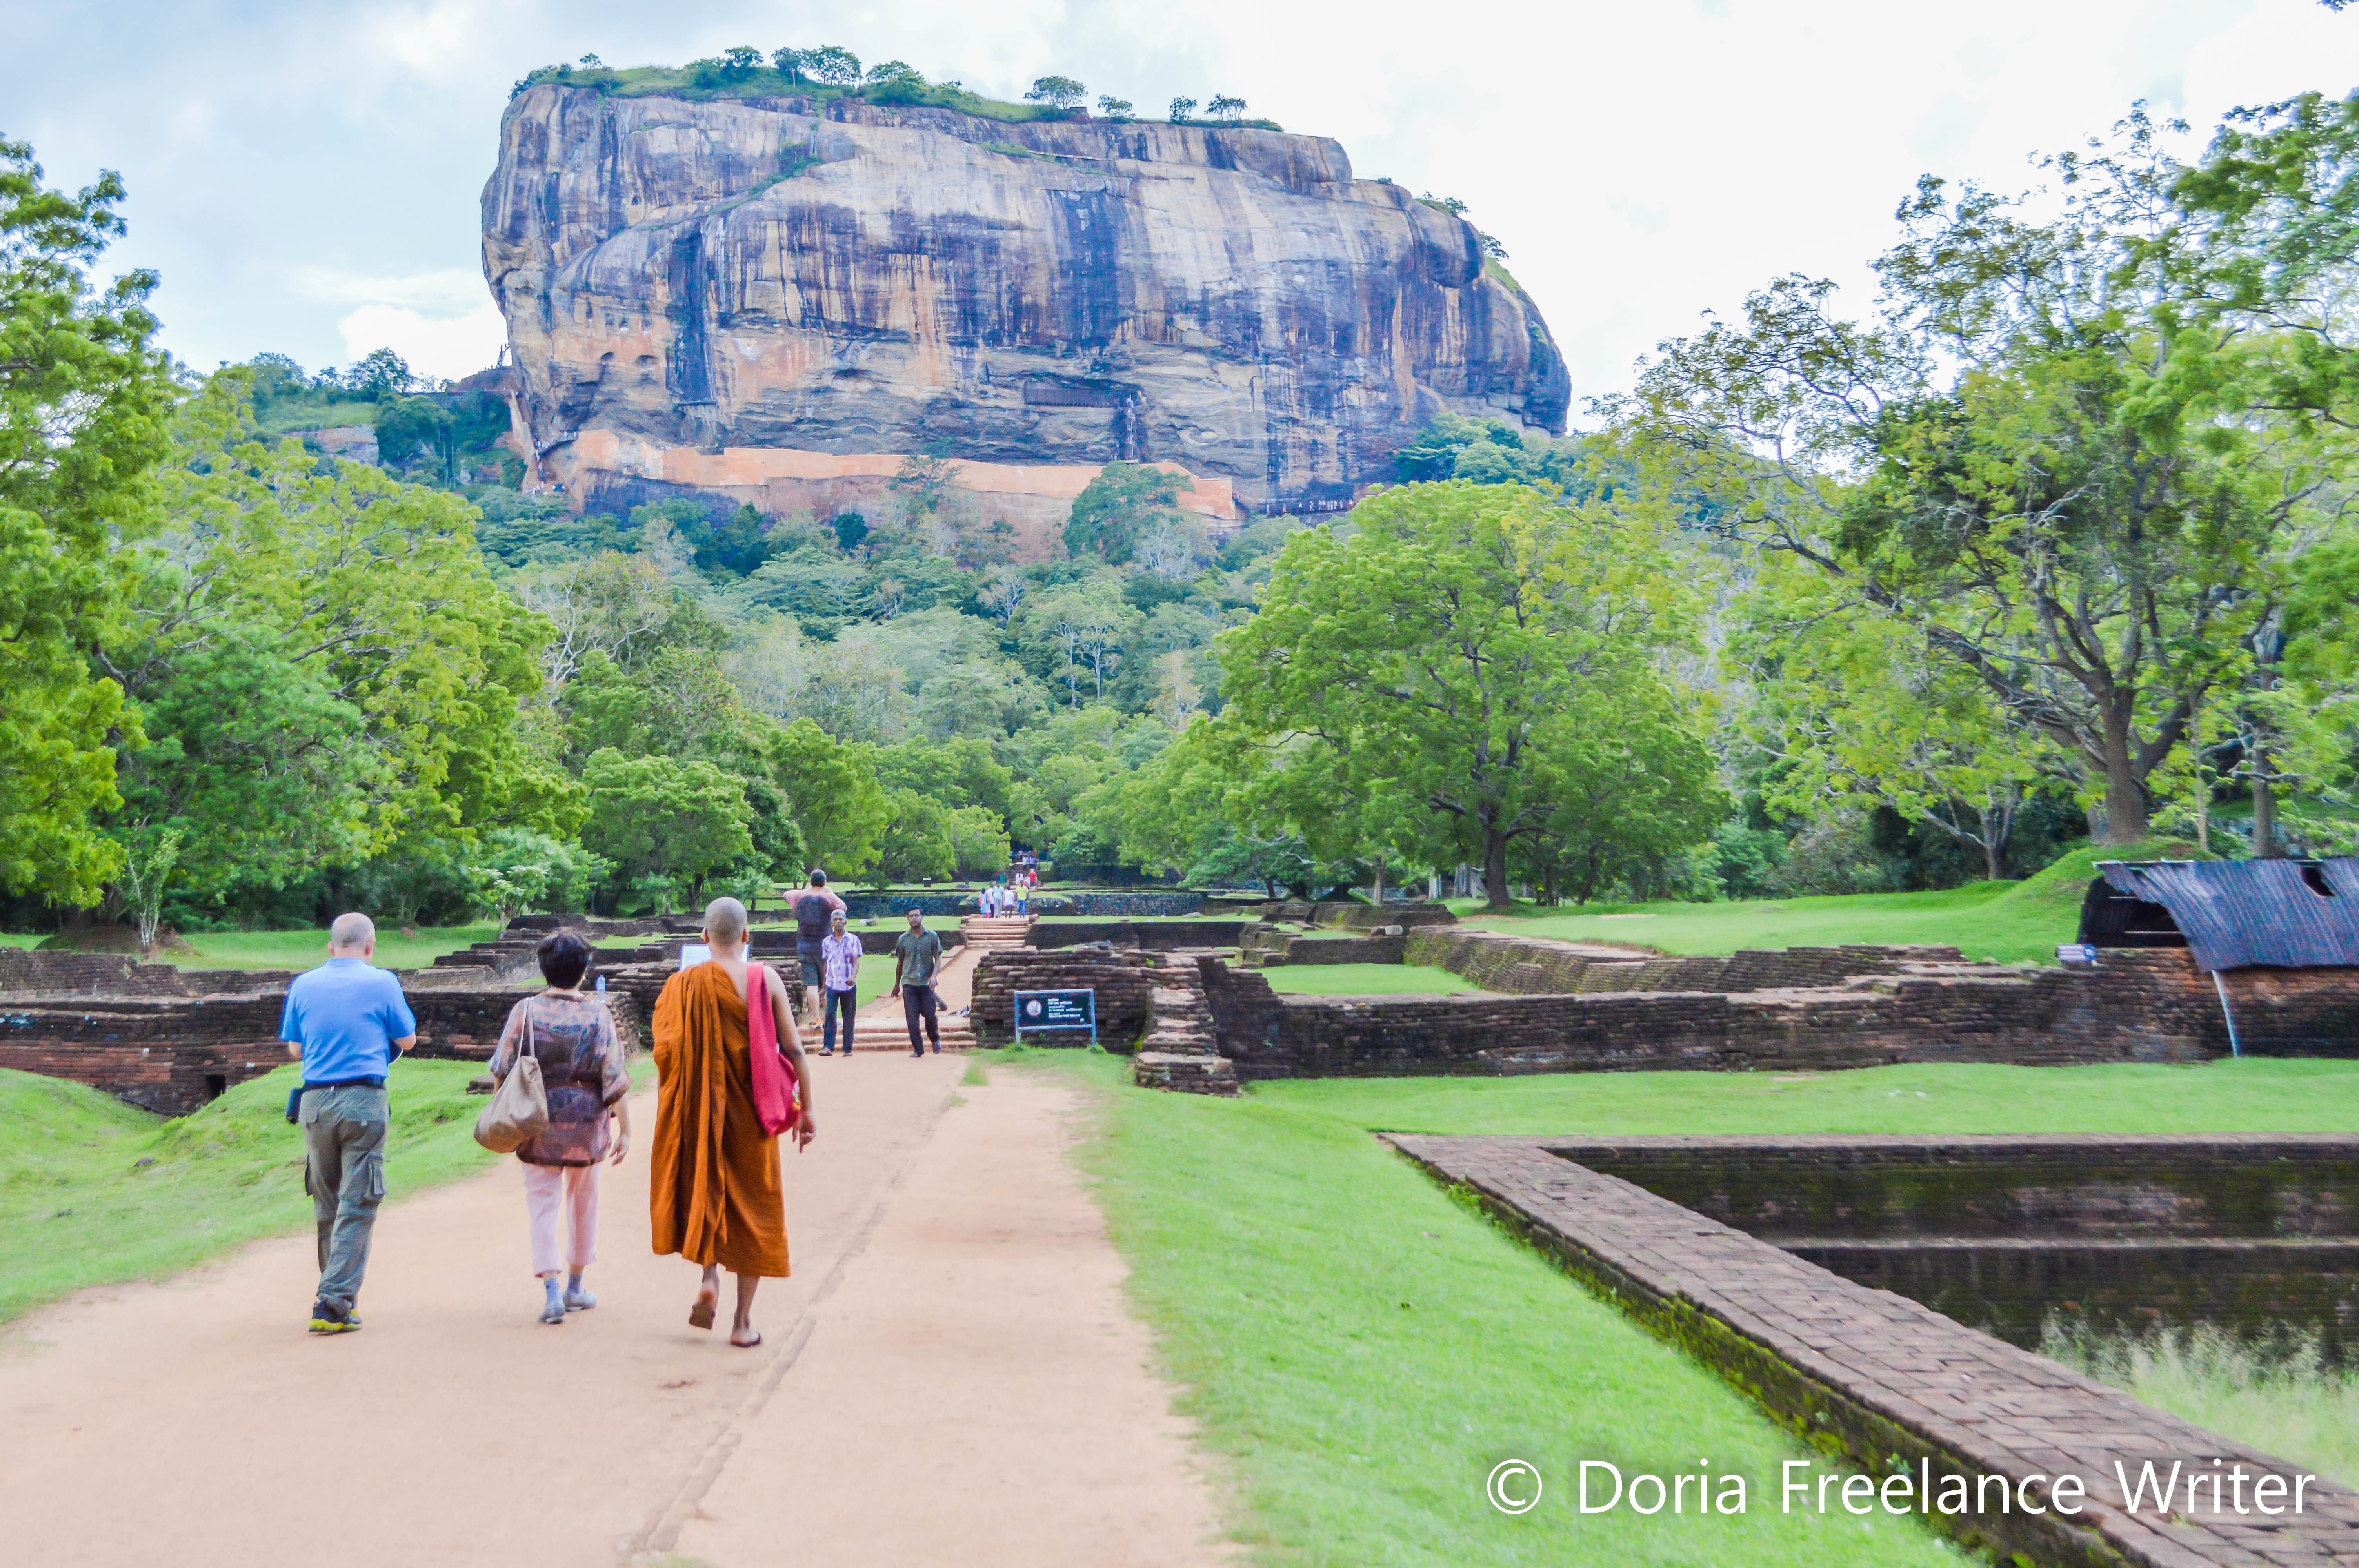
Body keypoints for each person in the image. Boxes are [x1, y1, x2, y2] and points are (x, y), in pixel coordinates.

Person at [650, 897, 816, 1348]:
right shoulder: (764, 979)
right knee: (756, 1208)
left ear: (704, 938)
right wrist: (808, 1109)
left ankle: (709, 1276)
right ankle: (742, 1324)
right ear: (746, 936)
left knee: (709, 1183)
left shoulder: (681, 986)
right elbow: (795, 1050)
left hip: (703, 1115)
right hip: (753, 1116)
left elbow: (666, 1055)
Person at [280, 912, 417, 1335]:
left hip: (316, 1103)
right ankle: (335, 1301)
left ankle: (335, 1294)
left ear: (331, 947)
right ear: (370, 947)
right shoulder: (382, 982)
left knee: (328, 1203)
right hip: (364, 1101)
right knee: (358, 1202)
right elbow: (407, 1039)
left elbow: (294, 1049)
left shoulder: (303, 984)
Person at [487, 931, 631, 1325]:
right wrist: (628, 1131)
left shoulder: (525, 1010)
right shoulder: (598, 1014)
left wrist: (503, 1114)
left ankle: (551, 1292)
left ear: (544, 969)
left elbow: (502, 1069)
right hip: (587, 1127)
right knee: (584, 1205)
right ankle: (575, 1286)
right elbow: (613, 1077)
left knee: (542, 1206)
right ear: (584, 972)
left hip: (536, 1122)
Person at [790, 870, 846, 1034]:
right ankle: (831, 1020)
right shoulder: (828, 897)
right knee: (828, 983)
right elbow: (842, 908)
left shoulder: (800, 897)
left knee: (811, 984)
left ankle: (816, 1019)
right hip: (825, 946)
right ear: (825, 882)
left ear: (810, 881)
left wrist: (808, 891)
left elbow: (787, 894)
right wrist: (828, 891)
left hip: (805, 946)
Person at [890, 907, 945, 1057]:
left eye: (917, 916)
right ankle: (918, 1049)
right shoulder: (903, 939)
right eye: (911, 916)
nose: (914, 918)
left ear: (922, 917)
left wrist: (934, 976)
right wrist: (897, 985)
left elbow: (939, 958)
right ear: (907, 918)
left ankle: (935, 1039)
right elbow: (900, 962)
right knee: (912, 1019)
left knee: (930, 1015)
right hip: (909, 983)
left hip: (926, 984)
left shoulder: (932, 936)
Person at [817, 909, 862, 1057]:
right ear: (831, 923)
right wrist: (824, 987)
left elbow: (856, 961)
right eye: (835, 920)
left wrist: (853, 977)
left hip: (848, 985)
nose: (838, 922)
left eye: (840, 919)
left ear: (845, 922)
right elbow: (826, 965)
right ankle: (828, 1047)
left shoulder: (853, 940)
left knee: (849, 1016)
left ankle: (848, 1048)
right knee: (830, 1014)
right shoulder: (826, 942)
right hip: (832, 983)